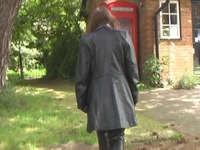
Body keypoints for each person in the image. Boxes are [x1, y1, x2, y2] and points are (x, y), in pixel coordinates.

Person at [75, 6, 139, 150]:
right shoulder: (123, 36)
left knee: (103, 136)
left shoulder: (87, 40)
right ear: (110, 19)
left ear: (94, 22)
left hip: (97, 99)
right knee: (117, 137)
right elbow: (132, 70)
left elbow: (82, 76)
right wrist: (133, 97)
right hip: (121, 96)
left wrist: (83, 103)